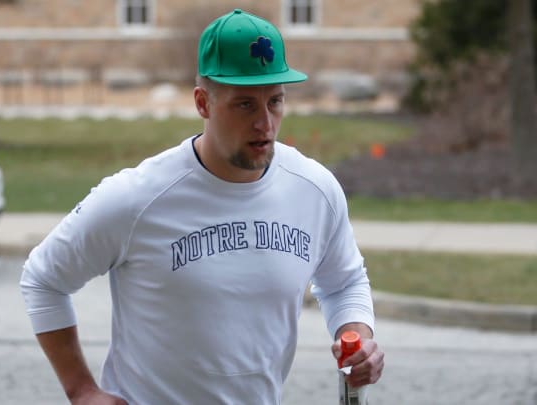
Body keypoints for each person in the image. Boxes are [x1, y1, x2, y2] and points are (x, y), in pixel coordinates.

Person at [20, 8, 384, 404]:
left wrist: (359, 338)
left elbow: (344, 281)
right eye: (244, 104)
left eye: (275, 101)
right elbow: (43, 279)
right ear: (203, 103)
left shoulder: (314, 190)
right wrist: (82, 390)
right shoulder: (137, 197)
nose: (265, 122)